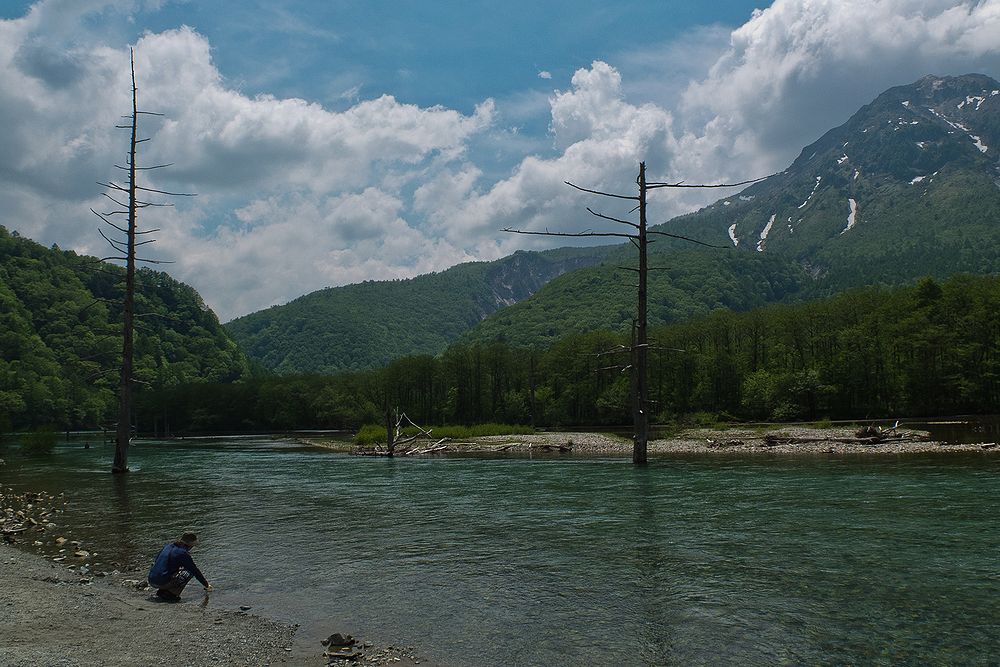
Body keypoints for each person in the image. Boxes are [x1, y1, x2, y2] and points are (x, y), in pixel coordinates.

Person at [147, 532, 213, 601]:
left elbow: (156, 562)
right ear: (190, 545)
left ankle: (162, 591)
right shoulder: (183, 553)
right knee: (188, 572)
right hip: (160, 582)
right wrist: (206, 585)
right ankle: (171, 595)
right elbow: (195, 571)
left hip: (151, 579)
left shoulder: (167, 546)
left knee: (177, 570)